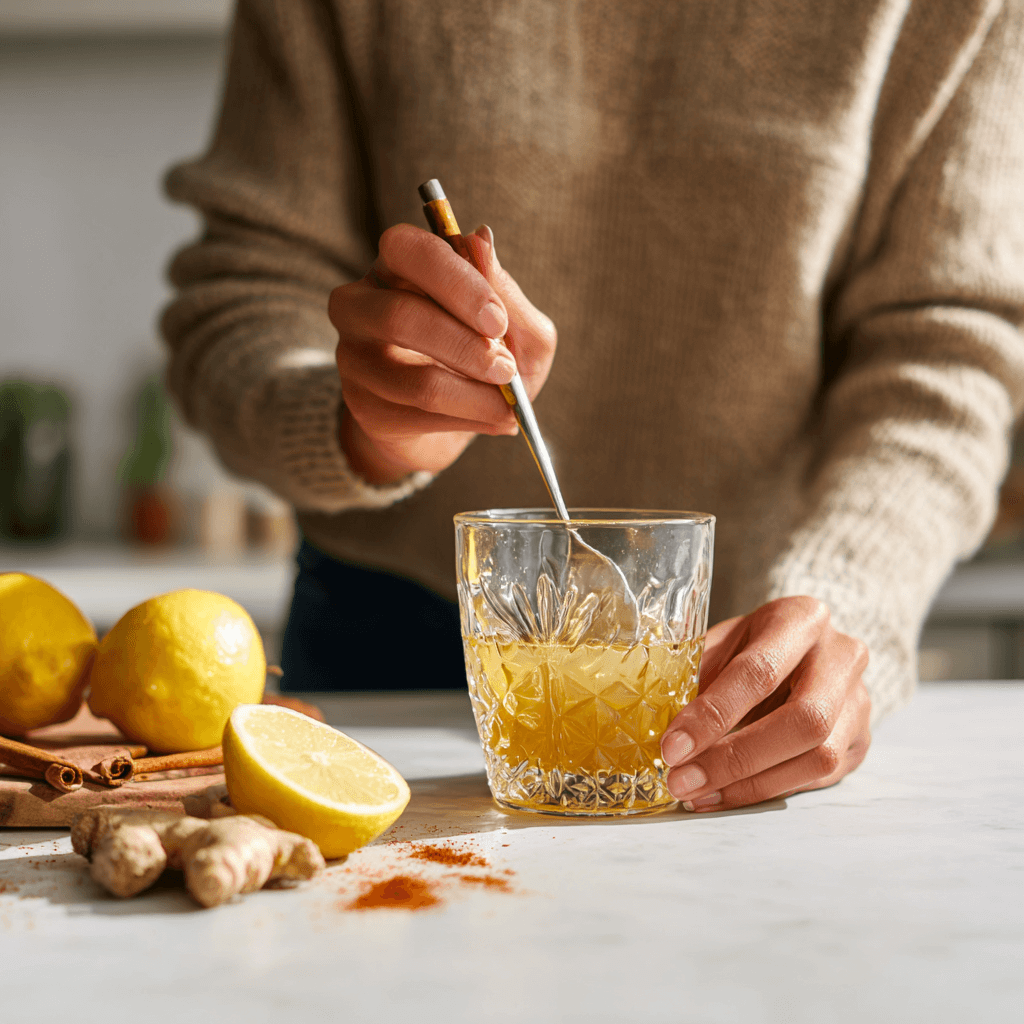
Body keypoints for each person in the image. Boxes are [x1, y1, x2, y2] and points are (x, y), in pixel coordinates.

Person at [161, 0, 1024, 811]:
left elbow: (944, 351)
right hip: (382, 630)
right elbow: (245, 291)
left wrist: (840, 601)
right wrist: (368, 428)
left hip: (747, 672)